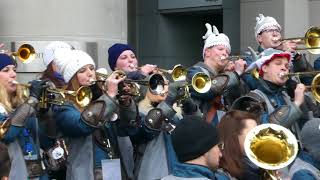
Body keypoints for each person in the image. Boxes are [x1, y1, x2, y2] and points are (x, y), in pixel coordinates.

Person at [53, 49, 137, 180]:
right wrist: (109, 96)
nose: (90, 73)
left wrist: (125, 103)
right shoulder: (63, 106)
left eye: (92, 68)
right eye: (82, 71)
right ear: (72, 78)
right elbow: (81, 126)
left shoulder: (101, 99)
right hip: (86, 172)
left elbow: (128, 128)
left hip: (112, 165)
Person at [232, 48, 307, 132]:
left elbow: (305, 129)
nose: (284, 68)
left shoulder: (286, 95)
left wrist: (300, 102)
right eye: (278, 63)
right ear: (264, 68)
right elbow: (266, 130)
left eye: (287, 66)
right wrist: (296, 104)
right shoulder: (251, 99)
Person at [0, 53, 48, 179]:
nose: (13, 74)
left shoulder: (20, 104)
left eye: (14, 70)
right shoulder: (26, 105)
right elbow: (8, 133)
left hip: (34, 172)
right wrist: (32, 100)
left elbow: (43, 140)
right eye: (6, 70)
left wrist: (45, 112)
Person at [187, 22, 246, 124]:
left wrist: (233, 74)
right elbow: (207, 90)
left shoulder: (225, 75)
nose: (225, 53)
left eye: (227, 52)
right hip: (202, 130)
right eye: (220, 49)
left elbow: (238, 99)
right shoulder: (194, 71)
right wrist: (235, 74)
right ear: (207, 52)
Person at [217, 110, 261, 179]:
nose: (259, 139)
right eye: (253, 133)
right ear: (234, 137)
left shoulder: (251, 164)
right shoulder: (221, 175)